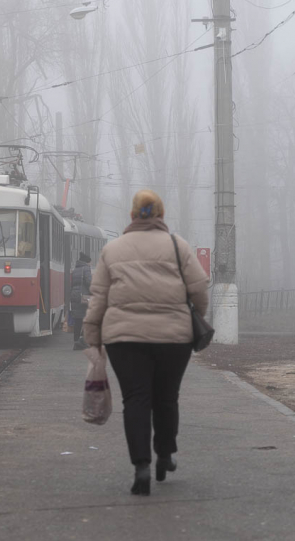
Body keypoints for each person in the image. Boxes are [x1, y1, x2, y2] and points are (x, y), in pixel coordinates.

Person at [83, 190, 209, 496]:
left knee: (136, 399)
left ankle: (141, 466)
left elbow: (98, 298)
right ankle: (165, 456)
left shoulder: (112, 250)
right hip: (174, 338)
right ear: (161, 215)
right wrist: (189, 319)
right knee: (167, 398)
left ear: (131, 216)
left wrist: (93, 338)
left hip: (124, 340)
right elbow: (199, 291)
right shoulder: (178, 247)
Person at [69, 252, 92, 347]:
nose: (90, 264)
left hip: (75, 296)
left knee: (78, 319)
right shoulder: (86, 269)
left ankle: (76, 341)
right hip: (84, 297)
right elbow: (89, 282)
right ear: (86, 262)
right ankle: (83, 340)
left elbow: (73, 284)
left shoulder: (75, 269)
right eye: (90, 262)